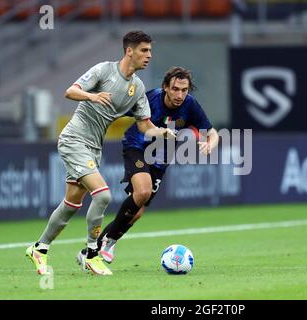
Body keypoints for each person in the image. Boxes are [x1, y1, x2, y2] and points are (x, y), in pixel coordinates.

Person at [25, 30, 175, 276]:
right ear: (130, 51)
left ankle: (39, 249)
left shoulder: (137, 88)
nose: (149, 55)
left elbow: (145, 126)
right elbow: (70, 91)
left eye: (150, 50)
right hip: (74, 139)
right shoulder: (104, 70)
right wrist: (92, 96)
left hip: (94, 147)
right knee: (103, 196)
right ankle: (92, 254)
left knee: (71, 204)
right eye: (144, 50)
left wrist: (164, 133)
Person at [90, 66, 219, 263]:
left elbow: (212, 133)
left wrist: (210, 144)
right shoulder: (151, 98)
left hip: (161, 159)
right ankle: (110, 240)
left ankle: (96, 246)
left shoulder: (190, 105)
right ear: (165, 87)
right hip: (137, 146)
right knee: (143, 192)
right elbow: (121, 107)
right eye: (175, 89)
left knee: (137, 212)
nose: (180, 94)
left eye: (184, 90)